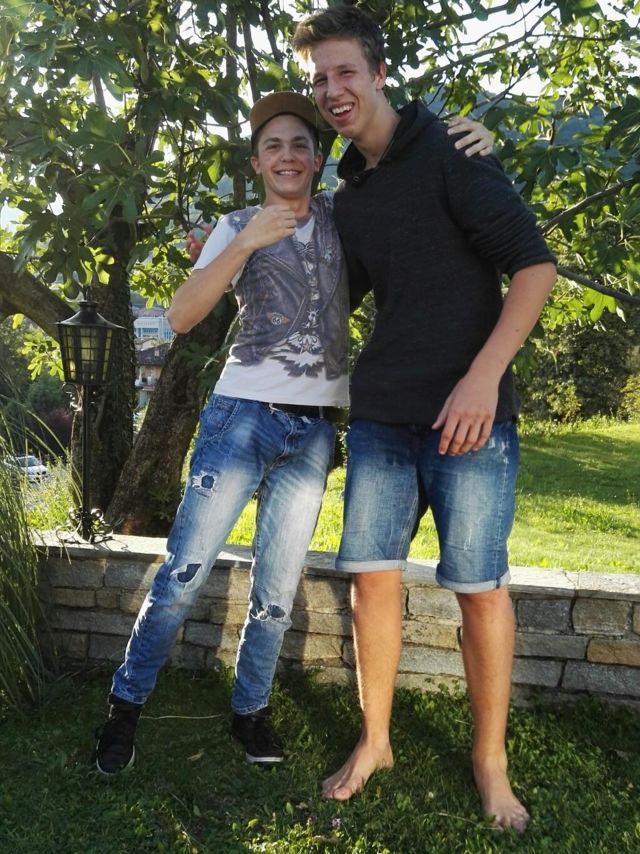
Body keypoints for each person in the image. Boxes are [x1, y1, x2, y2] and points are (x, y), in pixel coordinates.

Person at [92, 89, 491, 775]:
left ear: (317, 158)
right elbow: (181, 315)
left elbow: (413, 210)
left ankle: (249, 711)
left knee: (276, 595)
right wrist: (247, 241)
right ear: (257, 162)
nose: (287, 155)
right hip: (241, 417)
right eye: (273, 145)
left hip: (313, 432)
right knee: (183, 575)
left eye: (300, 144)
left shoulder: (343, 219)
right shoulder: (234, 225)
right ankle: (125, 707)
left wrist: (476, 144)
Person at [292, 6, 557, 832]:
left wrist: (483, 380)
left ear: (378, 73)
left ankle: (490, 764)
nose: (332, 90)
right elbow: (334, 297)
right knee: (372, 580)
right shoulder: (351, 192)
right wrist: (242, 247)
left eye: (344, 72)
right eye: (319, 79)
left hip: (470, 417)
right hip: (382, 414)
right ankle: (376, 741)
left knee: (479, 588)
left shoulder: (451, 150)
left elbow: (535, 267)